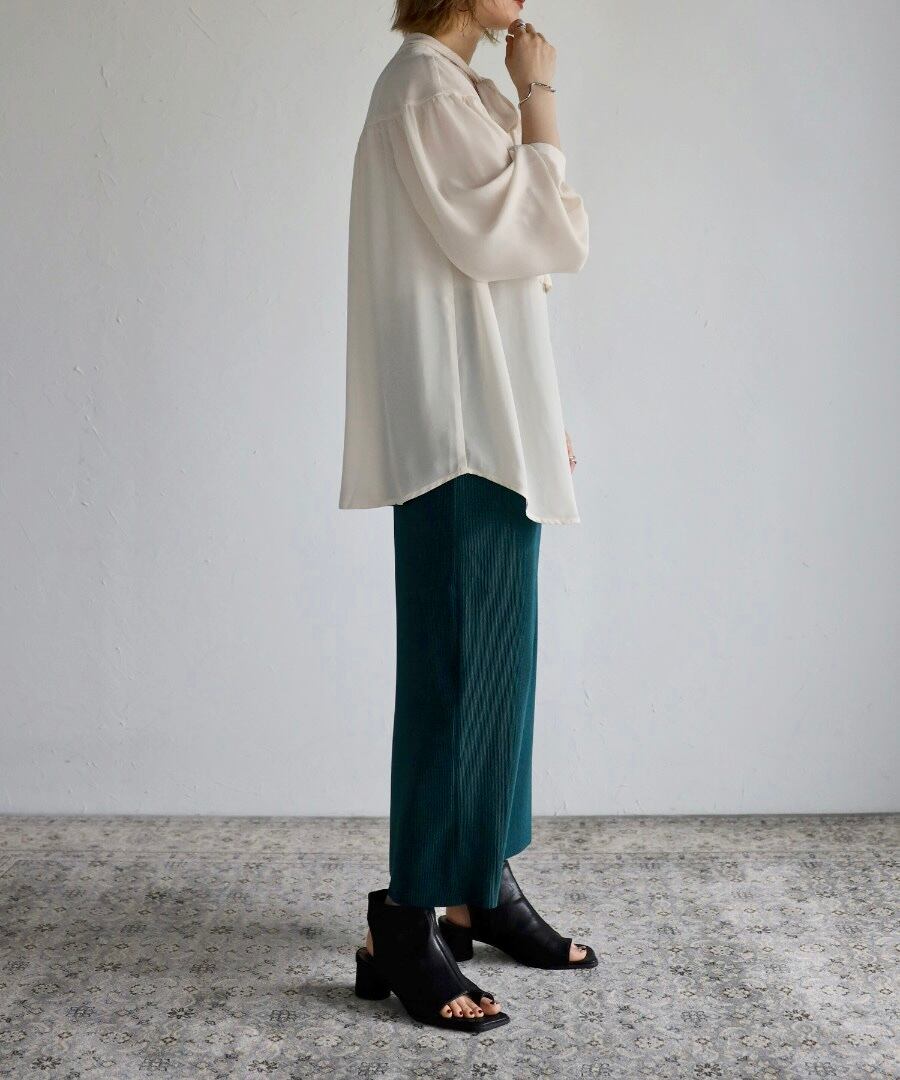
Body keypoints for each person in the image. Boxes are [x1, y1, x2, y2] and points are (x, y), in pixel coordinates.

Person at [339, 0, 596, 1033]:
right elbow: (542, 232)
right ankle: (406, 919)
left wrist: (540, 411)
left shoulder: (455, 91)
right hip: (458, 428)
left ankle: (473, 888)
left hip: (490, 420)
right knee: (455, 672)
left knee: (497, 667)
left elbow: (511, 273)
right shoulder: (422, 91)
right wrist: (542, 95)